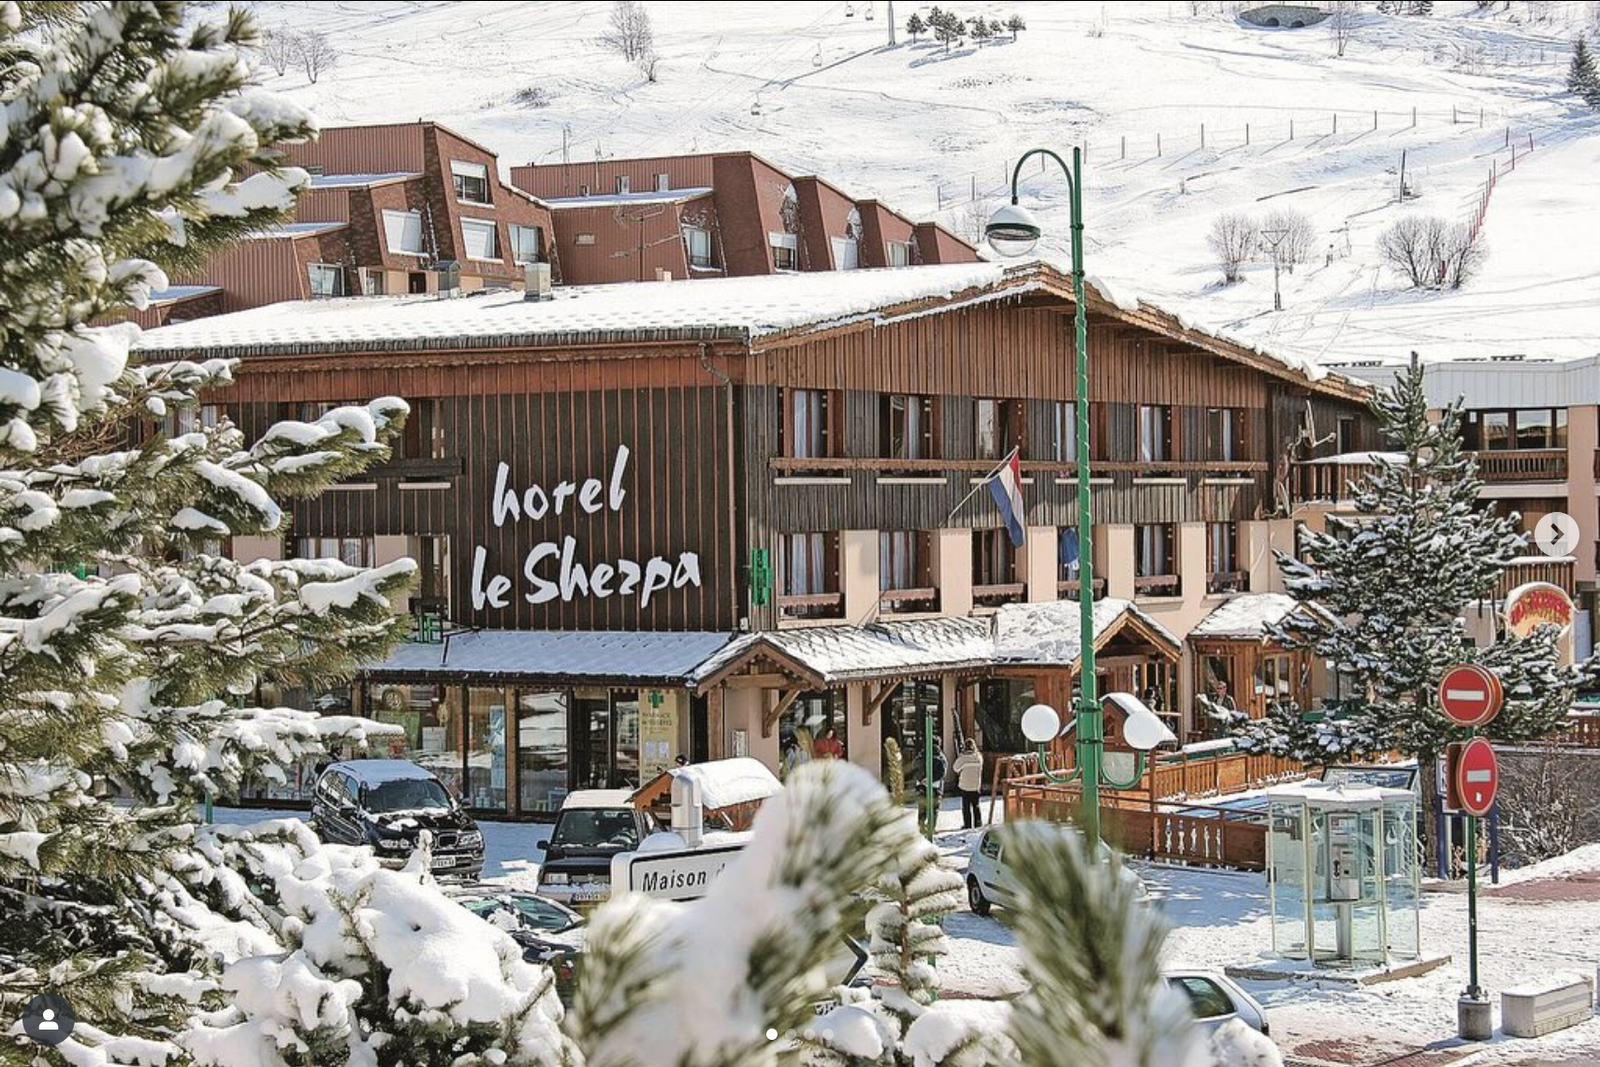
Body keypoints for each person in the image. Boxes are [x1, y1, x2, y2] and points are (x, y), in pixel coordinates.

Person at [952, 738, 984, 830]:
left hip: (965, 785)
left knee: (966, 807)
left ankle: (967, 824)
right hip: (976, 785)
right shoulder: (978, 757)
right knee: (976, 806)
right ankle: (978, 823)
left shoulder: (963, 758)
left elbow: (955, 768)